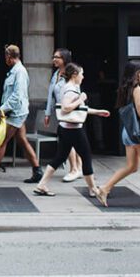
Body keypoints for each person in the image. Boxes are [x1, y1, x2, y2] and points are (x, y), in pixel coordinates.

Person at [97, 60, 140, 211]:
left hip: (128, 131)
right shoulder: (138, 90)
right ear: (137, 73)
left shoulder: (125, 89)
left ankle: (105, 188)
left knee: (132, 166)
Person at [33, 63, 110, 198]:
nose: (83, 76)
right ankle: (92, 189)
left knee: (60, 157)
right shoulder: (70, 90)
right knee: (86, 157)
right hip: (73, 130)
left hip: (65, 128)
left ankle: (42, 184)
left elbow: (77, 110)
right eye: (81, 74)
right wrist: (81, 98)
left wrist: (97, 112)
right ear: (75, 75)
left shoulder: (69, 87)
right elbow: (66, 108)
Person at [0, 44, 42, 185]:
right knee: (22, 140)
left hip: (15, 113)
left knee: (1, 141)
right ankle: (37, 170)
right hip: (16, 112)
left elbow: (17, 95)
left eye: (6, 56)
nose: (5, 59)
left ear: (9, 57)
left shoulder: (19, 72)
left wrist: (2, 109)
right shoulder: (15, 71)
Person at [44, 48, 83, 182]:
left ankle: (74, 169)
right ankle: (77, 168)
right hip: (61, 111)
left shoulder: (71, 73)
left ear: (64, 59)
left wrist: (76, 105)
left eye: (57, 57)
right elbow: (50, 94)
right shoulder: (56, 74)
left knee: (69, 140)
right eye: (53, 57)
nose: (54, 59)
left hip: (70, 110)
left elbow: (77, 90)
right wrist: (47, 113)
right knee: (72, 140)